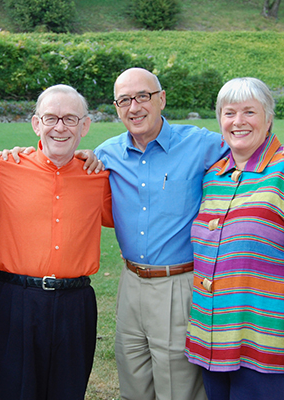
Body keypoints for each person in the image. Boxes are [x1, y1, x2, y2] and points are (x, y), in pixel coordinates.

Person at [94, 67, 229, 400]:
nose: (134, 107)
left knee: (177, 388)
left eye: (143, 96)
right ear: (116, 108)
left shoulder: (202, 144)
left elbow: (250, 147)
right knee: (132, 379)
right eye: (124, 100)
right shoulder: (106, 153)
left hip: (178, 284)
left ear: (162, 99)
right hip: (129, 284)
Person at [0, 84, 114, 400]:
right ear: (36, 123)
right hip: (17, 302)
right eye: (51, 118)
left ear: (85, 126)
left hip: (76, 304)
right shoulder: (4, 168)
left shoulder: (99, 177)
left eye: (70, 119)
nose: (59, 127)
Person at [185, 77, 284, 400]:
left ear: (269, 118)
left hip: (266, 345)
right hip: (211, 341)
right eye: (229, 113)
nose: (238, 122)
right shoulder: (214, 176)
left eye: (249, 112)